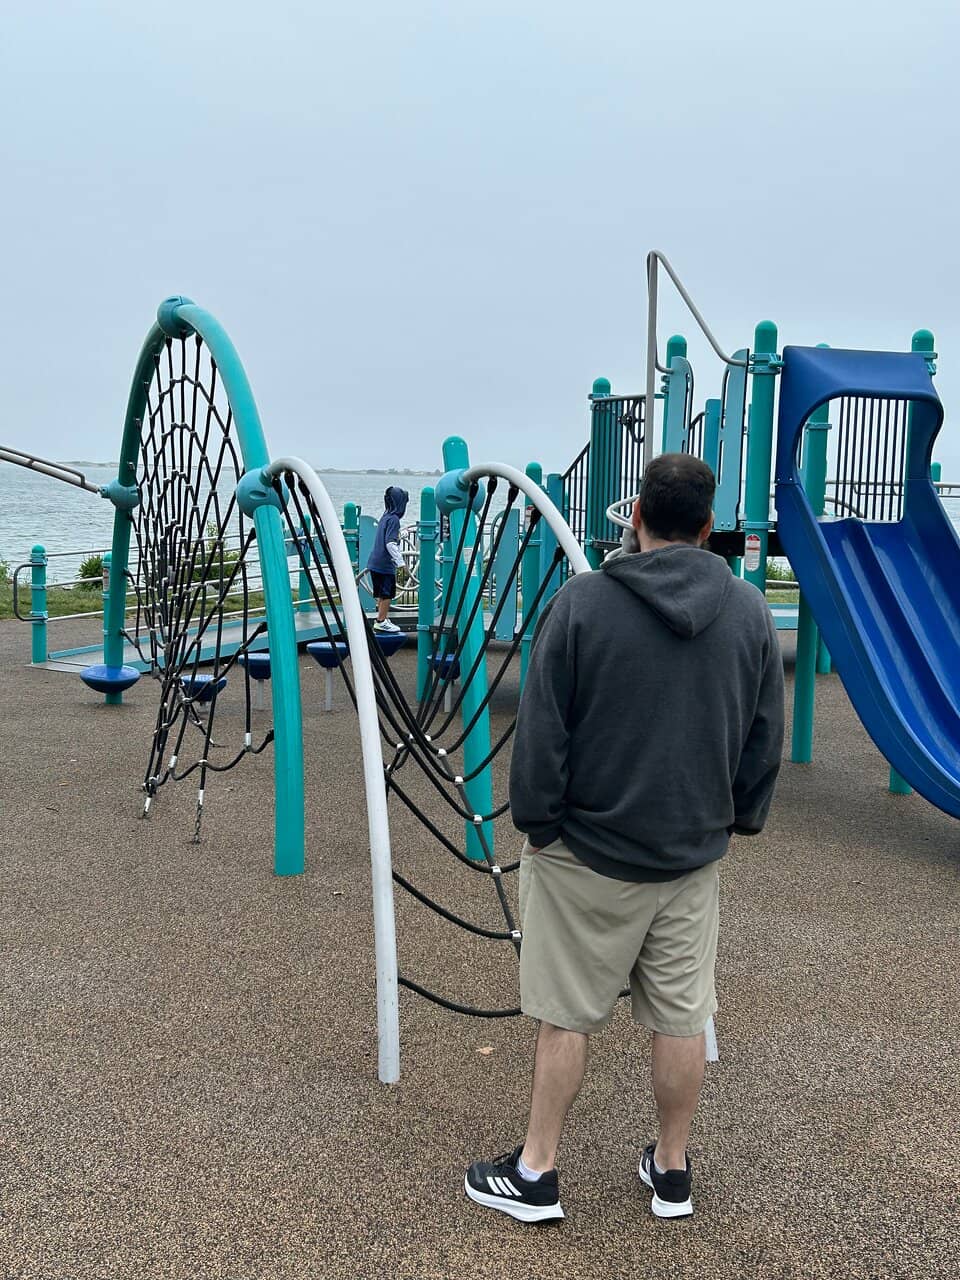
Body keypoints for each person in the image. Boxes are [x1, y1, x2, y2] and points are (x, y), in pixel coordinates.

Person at [464, 453, 784, 1223]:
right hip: (691, 852)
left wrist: (538, 822)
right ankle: (671, 1169)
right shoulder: (749, 615)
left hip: (588, 853)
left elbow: (543, 734)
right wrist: (737, 816)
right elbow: (761, 738)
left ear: (635, 516)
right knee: (681, 1014)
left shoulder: (582, 605)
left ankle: (538, 1170)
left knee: (566, 1012)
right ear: (708, 529)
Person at [366, 486, 409, 634]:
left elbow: (388, 537)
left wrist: (400, 535)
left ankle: (381, 617)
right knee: (387, 594)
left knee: (381, 594)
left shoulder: (385, 517)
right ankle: (381, 621)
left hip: (374, 562)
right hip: (385, 565)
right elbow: (390, 543)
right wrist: (401, 563)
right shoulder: (395, 520)